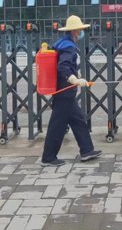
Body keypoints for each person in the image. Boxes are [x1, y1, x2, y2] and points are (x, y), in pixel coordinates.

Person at [41, 15, 102, 166]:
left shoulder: (60, 43)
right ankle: (48, 158)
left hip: (61, 89)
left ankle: (87, 150)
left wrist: (75, 75)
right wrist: (74, 79)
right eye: (80, 29)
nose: (81, 31)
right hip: (65, 90)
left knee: (78, 120)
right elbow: (63, 66)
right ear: (75, 31)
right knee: (57, 125)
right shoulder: (68, 46)